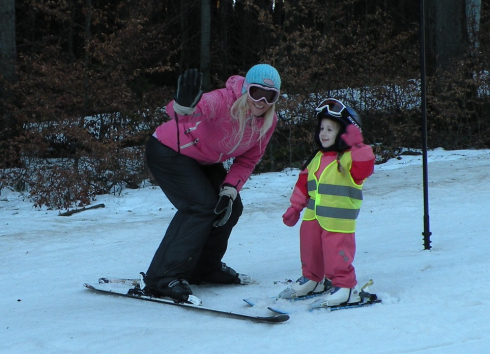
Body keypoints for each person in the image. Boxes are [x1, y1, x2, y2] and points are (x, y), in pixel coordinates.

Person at [143, 64, 281, 302]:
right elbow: (183, 115)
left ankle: (204, 268)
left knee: (229, 207)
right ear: (246, 89)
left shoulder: (268, 121)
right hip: (168, 151)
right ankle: (162, 278)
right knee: (200, 206)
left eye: (270, 96)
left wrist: (230, 189)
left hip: (203, 160)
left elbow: (248, 159)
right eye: (256, 92)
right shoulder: (222, 101)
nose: (261, 101)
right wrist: (183, 104)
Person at [278, 98, 375, 307]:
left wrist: (358, 145)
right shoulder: (316, 158)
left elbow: (364, 168)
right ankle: (312, 279)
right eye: (322, 128)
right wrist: (295, 207)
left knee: (336, 255)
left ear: (344, 133)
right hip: (312, 217)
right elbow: (303, 184)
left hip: (338, 222)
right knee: (309, 249)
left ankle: (344, 287)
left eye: (330, 129)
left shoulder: (349, 158)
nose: (323, 133)